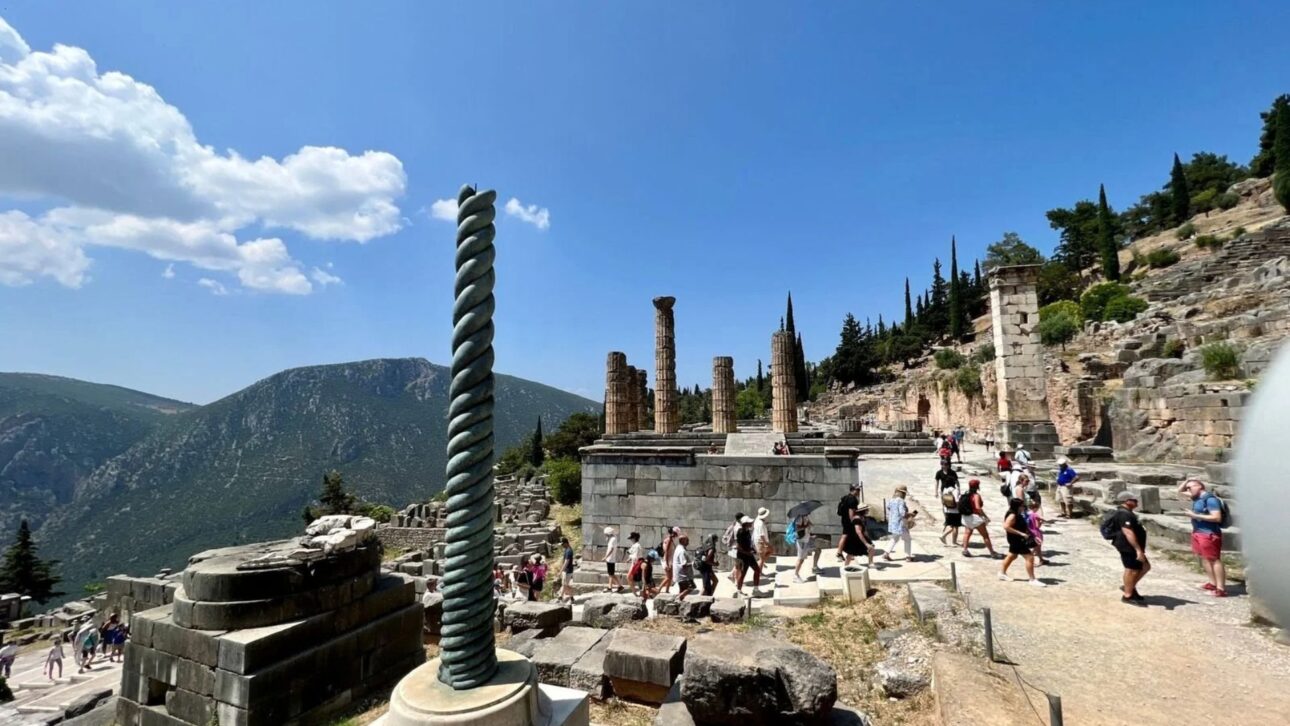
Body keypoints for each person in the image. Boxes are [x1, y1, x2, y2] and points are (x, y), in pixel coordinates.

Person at [1180, 478, 1227, 597]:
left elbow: (1217, 518)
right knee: (1204, 558)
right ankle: (1212, 583)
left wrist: (1194, 515)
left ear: (1199, 487)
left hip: (1209, 534)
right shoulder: (1196, 497)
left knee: (1214, 559)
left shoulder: (1210, 500)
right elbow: (1179, 491)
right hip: (1198, 532)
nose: (1187, 490)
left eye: (1190, 488)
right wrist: (1187, 481)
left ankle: (1220, 588)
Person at [1110, 491, 1150, 606]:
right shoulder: (1124, 514)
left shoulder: (1127, 512)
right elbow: (1128, 532)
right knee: (1132, 569)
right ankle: (1127, 595)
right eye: (1135, 500)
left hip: (1132, 546)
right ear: (1127, 501)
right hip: (1128, 546)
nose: (1137, 502)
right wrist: (1138, 550)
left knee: (1145, 566)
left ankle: (1129, 587)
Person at [999, 498, 1045, 587]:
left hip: (1017, 539)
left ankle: (1002, 573)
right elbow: (1006, 526)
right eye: (1022, 506)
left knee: (1012, 555)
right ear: (1018, 506)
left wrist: (1034, 536)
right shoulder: (1012, 515)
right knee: (1030, 557)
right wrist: (1021, 534)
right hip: (1017, 539)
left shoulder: (1018, 513)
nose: (1024, 507)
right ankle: (1032, 579)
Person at [960, 479, 999, 558]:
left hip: (966, 517)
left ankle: (965, 549)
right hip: (975, 518)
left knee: (967, 533)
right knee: (985, 535)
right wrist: (985, 517)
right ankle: (992, 552)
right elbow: (978, 508)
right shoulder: (976, 495)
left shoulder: (966, 494)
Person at [734, 515, 766, 598]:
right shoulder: (740, 532)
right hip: (742, 556)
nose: (751, 523)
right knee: (743, 573)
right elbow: (738, 546)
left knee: (757, 570)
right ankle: (738, 591)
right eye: (750, 522)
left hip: (749, 555)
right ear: (745, 523)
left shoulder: (747, 531)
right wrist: (747, 552)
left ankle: (755, 590)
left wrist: (752, 549)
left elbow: (748, 543)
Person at [884, 486, 916, 562]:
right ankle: (908, 557)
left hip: (893, 522)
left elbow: (888, 507)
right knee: (907, 539)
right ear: (903, 493)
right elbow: (902, 513)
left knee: (894, 538)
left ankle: (886, 553)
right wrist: (910, 514)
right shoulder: (901, 501)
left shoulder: (892, 500)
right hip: (901, 524)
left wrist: (894, 513)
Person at [936, 460, 962, 546]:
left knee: (951, 524)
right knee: (955, 526)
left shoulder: (944, 490)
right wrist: (960, 509)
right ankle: (950, 539)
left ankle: (949, 537)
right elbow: (957, 501)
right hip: (955, 510)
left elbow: (944, 501)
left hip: (948, 509)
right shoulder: (955, 491)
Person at [841, 504, 875, 569]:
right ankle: (845, 567)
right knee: (850, 553)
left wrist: (868, 538)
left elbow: (863, 530)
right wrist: (866, 543)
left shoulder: (862, 518)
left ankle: (871, 563)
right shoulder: (857, 519)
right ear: (863, 511)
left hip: (859, 537)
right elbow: (858, 532)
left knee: (871, 548)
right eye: (866, 510)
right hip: (854, 539)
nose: (867, 511)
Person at [792, 511, 821, 583]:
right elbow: (797, 529)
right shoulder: (799, 518)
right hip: (802, 541)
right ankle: (795, 575)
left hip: (807, 539)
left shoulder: (806, 517)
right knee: (801, 559)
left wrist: (810, 534)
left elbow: (807, 528)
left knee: (818, 550)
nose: (809, 511)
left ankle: (815, 567)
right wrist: (806, 526)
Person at [835, 485, 861, 560]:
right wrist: (854, 521)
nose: (859, 491)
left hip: (844, 520)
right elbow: (851, 511)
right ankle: (840, 553)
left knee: (847, 536)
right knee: (846, 536)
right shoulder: (852, 499)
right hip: (849, 521)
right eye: (858, 490)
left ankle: (849, 553)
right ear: (853, 490)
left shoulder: (845, 497)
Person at [1026, 498, 1049, 565]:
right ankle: (1031, 561)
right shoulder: (1035, 514)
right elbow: (1037, 525)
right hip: (1036, 532)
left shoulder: (1027, 514)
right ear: (1035, 508)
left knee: (1037, 548)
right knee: (1037, 548)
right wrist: (1042, 521)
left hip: (1030, 531)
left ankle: (1041, 559)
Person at [723, 513, 744, 583]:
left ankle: (732, 575)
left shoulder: (734, 525)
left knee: (738, 564)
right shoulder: (738, 527)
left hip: (733, 548)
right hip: (736, 548)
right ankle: (737, 581)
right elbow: (738, 539)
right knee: (739, 566)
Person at [673, 535, 695, 600]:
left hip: (679, 575)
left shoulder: (678, 548)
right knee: (691, 587)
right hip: (683, 576)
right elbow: (684, 564)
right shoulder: (682, 551)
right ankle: (677, 599)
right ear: (682, 541)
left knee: (682, 590)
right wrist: (692, 563)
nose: (688, 542)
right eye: (687, 540)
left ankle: (678, 603)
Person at [659, 526, 679, 594]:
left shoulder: (669, 539)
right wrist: (667, 563)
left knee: (670, 577)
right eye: (676, 534)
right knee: (668, 577)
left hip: (670, 560)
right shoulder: (669, 540)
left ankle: (667, 590)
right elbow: (667, 551)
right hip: (668, 560)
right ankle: (659, 589)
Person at [602, 526, 622, 593]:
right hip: (610, 559)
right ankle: (610, 587)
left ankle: (619, 586)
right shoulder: (613, 538)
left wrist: (605, 557)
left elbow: (611, 549)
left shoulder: (613, 539)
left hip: (610, 559)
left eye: (605, 534)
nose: (605, 535)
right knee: (610, 574)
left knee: (611, 574)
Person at [753, 508, 772, 573]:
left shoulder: (757, 520)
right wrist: (766, 543)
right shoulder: (760, 523)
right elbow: (761, 535)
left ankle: (760, 565)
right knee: (762, 558)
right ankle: (759, 572)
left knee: (770, 552)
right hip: (760, 542)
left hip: (759, 541)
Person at [626, 531, 645, 597]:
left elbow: (635, 556)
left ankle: (636, 593)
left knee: (632, 578)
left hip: (637, 563)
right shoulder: (635, 545)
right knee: (633, 578)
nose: (630, 540)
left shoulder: (637, 546)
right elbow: (631, 552)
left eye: (631, 538)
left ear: (634, 538)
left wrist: (630, 557)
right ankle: (637, 593)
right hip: (634, 563)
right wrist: (629, 558)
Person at [559, 537, 576, 604]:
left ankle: (562, 597)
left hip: (567, 571)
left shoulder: (569, 551)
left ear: (566, 543)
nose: (562, 545)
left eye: (562, 544)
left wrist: (560, 571)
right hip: (566, 570)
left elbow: (566, 562)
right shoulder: (567, 549)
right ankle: (569, 598)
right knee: (565, 585)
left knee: (565, 585)